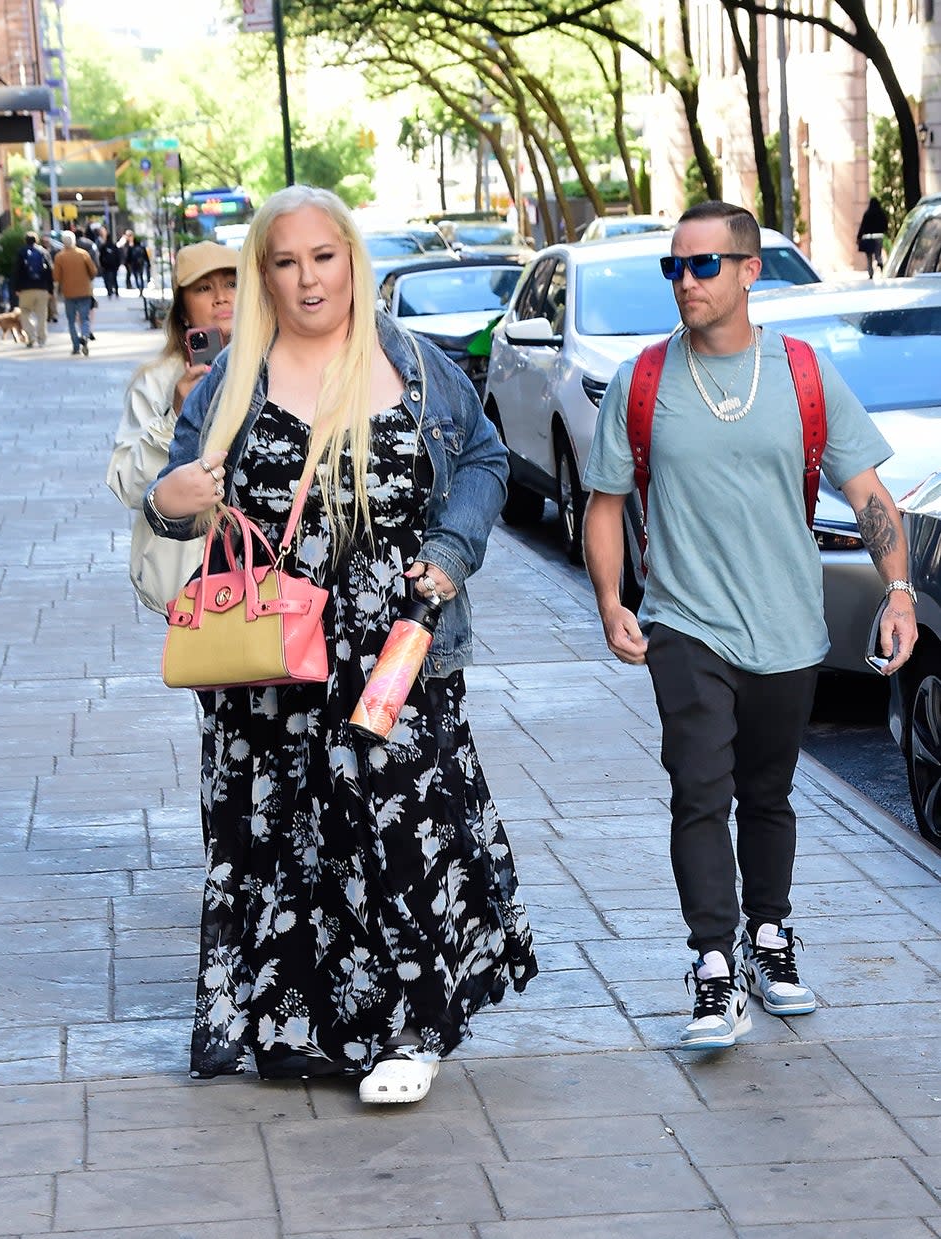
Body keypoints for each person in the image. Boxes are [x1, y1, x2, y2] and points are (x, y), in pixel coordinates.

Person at [142, 185, 536, 1100]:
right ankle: (299, 1025)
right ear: (263, 273)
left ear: (352, 261)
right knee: (281, 836)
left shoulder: (419, 368)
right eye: (286, 261)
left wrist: (448, 555)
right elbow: (170, 500)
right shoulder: (231, 379)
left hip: (394, 643)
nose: (308, 277)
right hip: (270, 657)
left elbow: (483, 459)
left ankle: (416, 1027)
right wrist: (173, 501)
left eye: (324, 256)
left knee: (403, 828)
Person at [582, 200, 917, 1052]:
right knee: (700, 789)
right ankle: (710, 962)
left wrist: (901, 589)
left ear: (746, 271)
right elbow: (607, 503)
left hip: (788, 626)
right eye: (675, 267)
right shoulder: (644, 379)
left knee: (768, 794)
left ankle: (768, 937)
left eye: (701, 266)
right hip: (685, 625)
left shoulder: (803, 374)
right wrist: (612, 600)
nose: (684, 282)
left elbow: (870, 493)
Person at [106, 241, 238, 613]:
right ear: (182, 310)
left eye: (231, 284)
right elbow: (130, 487)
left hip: (273, 578)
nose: (220, 298)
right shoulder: (155, 381)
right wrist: (175, 417)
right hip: (189, 582)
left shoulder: (282, 364)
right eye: (203, 288)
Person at [52, 232, 97, 355]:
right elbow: (93, 271)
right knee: (84, 318)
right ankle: (85, 335)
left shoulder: (59, 257)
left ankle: (76, 346)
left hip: (69, 293)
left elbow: (56, 277)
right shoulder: (83, 254)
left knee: (71, 320)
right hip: (84, 291)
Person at [10, 231, 53, 347]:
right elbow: (49, 272)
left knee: (25, 313)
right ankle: (42, 339)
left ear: (25, 241)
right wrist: (51, 290)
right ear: (37, 240)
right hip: (42, 288)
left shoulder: (21, 252)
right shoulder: (44, 252)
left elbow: (17, 272)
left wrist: (16, 288)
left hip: (25, 289)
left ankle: (31, 336)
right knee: (42, 315)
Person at [857, 196, 889, 278]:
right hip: (879, 237)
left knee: (869, 257)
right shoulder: (881, 213)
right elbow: (885, 225)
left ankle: (870, 273)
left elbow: (863, 226)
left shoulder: (867, 214)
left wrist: (859, 237)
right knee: (878, 254)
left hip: (868, 237)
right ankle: (880, 264)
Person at [98, 231, 123, 299]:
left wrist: (102, 265)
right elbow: (118, 256)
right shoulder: (114, 246)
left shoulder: (103, 246)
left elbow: (100, 257)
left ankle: (109, 291)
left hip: (106, 266)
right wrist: (118, 265)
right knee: (114, 279)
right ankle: (116, 291)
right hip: (114, 266)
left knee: (107, 279)